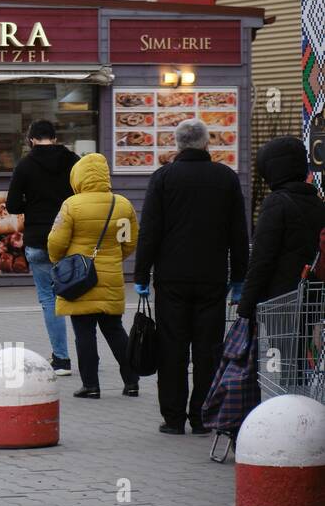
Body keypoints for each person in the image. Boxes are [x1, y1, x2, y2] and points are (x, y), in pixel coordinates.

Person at [133, 119, 249, 436]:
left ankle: (173, 418)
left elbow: (150, 232)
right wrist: (239, 278)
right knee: (208, 349)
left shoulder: (163, 178)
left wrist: (141, 275)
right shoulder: (226, 179)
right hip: (213, 278)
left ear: (177, 144)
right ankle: (202, 416)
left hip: (171, 279)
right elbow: (239, 234)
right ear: (206, 143)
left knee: (172, 347)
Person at [45, 153, 140, 400]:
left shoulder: (71, 205)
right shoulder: (122, 204)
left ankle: (91, 385)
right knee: (116, 331)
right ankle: (131, 381)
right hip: (111, 277)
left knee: (84, 333)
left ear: (78, 176)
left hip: (80, 280)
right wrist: (114, 257)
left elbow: (56, 242)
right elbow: (129, 242)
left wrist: (59, 262)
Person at [4, 120, 79, 376]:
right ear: (55, 138)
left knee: (50, 300)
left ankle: (61, 359)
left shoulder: (25, 165)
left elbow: (12, 205)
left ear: (31, 139)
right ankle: (89, 357)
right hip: (71, 237)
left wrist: (32, 203)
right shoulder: (74, 161)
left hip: (39, 239)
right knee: (78, 296)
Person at [236, 136, 325, 324]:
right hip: (313, 298)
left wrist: (245, 308)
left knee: (282, 351)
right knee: (301, 352)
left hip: (281, 301)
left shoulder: (276, 203)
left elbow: (262, 259)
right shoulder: (318, 203)